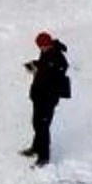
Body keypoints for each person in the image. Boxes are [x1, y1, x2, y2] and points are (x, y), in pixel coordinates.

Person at [21, 32, 72, 166]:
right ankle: (36, 147)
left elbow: (59, 71)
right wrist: (35, 65)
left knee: (43, 126)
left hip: (48, 97)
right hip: (39, 95)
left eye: (43, 46)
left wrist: (43, 72)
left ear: (48, 43)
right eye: (40, 46)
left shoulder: (58, 57)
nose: (41, 48)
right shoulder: (47, 53)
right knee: (37, 123)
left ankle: (44, 156)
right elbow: (45, 65)